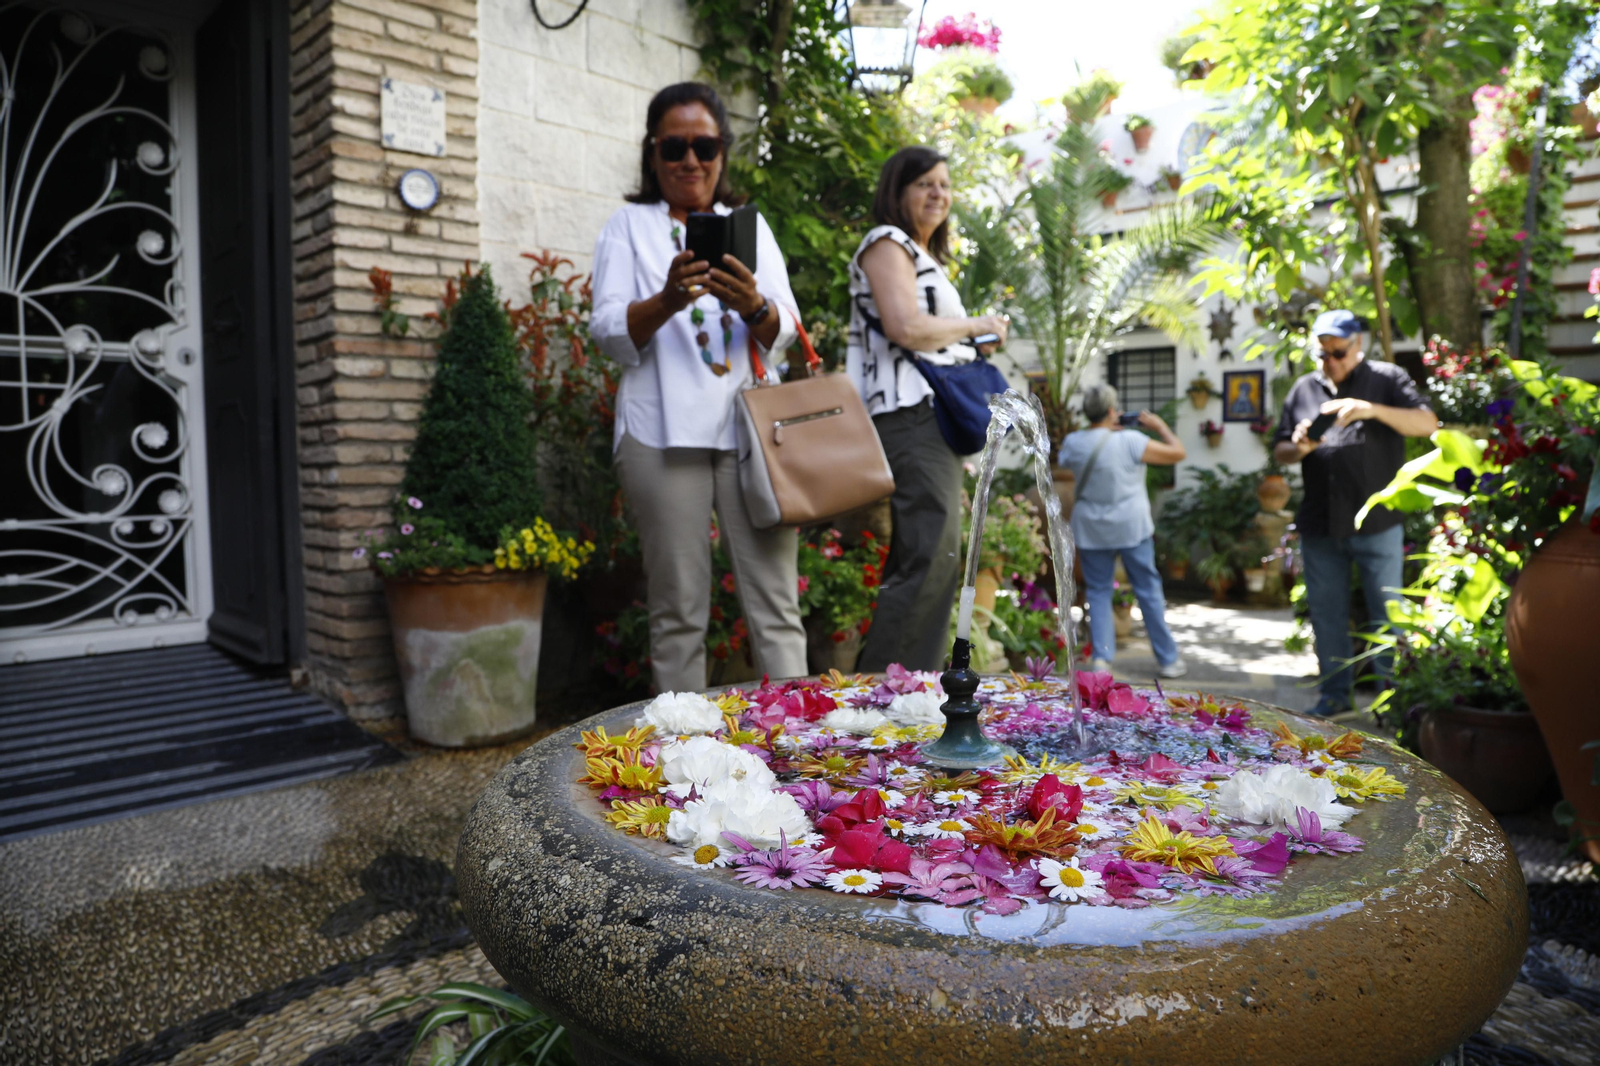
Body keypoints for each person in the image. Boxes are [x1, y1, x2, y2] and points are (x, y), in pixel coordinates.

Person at [590, 82, 807, 693]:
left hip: (751, 434)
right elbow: (606, 329)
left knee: (775, 603)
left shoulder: (749, 227)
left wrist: (753, 304)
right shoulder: (628, 226)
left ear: (722, 152)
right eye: (674, 147)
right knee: (678, 608)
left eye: (705, 146)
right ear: (652, 153)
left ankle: (801, 737)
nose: (690, 160)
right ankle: (681, 742)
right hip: (660, 433)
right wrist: (666, 299)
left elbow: (788, 329)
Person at [846, 146, 1010, 672]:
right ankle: (893, 689)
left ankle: (900, 684)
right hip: (909, 412)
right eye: (925, 184)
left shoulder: (921, 254)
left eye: (944, 184)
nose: (939, 193)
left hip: (926, 416)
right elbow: (906, 326)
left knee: (929, 556)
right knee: (931, 558)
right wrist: (977, 324)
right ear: (897, 192)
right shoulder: (887, 242)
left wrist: (969, 337)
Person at [1273, 309, 1438, 717]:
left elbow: (1426, 422)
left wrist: (1371, 409)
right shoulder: (1304, 388)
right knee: (1327, 616)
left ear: (1358, 344)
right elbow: (1281, 450)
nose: (1330, 361)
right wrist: (1300, 446)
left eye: (1338, 353)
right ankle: (1334, 697)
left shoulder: (1386, 378)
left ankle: (1393, 704)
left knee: (1387, 616)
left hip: (1377, 523)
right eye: (1323, 354)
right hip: (1320, 523)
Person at [1056, 384, 1188, 678]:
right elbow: (1178, 453)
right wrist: (1159, 426)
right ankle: (1168, 660)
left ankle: (1102, 660)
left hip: (1091, 527)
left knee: (1098, 591)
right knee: (1148, 591)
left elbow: (1065, 464)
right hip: (1131, 527)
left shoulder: (1074, 442)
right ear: (1112, 411)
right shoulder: (1131, 440)